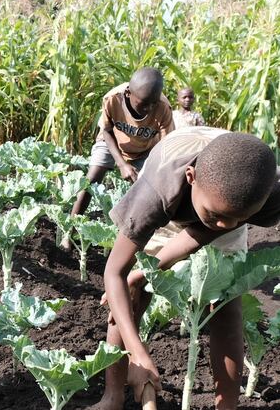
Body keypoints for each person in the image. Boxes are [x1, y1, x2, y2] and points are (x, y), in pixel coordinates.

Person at [94, 127, 280, 410]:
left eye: (238, 219)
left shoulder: (261, 191)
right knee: (130, 294)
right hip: (175, 200)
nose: (226, 227)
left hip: (225, 197)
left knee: (224, 305)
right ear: (192, 178)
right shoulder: (156, 192)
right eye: (219, 216)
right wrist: (138, 354)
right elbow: (114, 272)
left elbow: (213, 228)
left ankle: (226, 406)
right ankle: (112, 396)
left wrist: (151, 270)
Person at [64, 68, 174, 249]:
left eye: (153, 103)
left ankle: (141, 242)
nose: (149, 108)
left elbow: (166, 145)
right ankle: (70, 231)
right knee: (91, 179)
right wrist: (122, 164)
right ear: (129, 93)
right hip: (112, 142)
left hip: (145, 149)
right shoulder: (113, 99)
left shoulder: (163, 107)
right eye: (143, 103)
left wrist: (155, 175)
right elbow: (106, 131)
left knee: (148, 192)